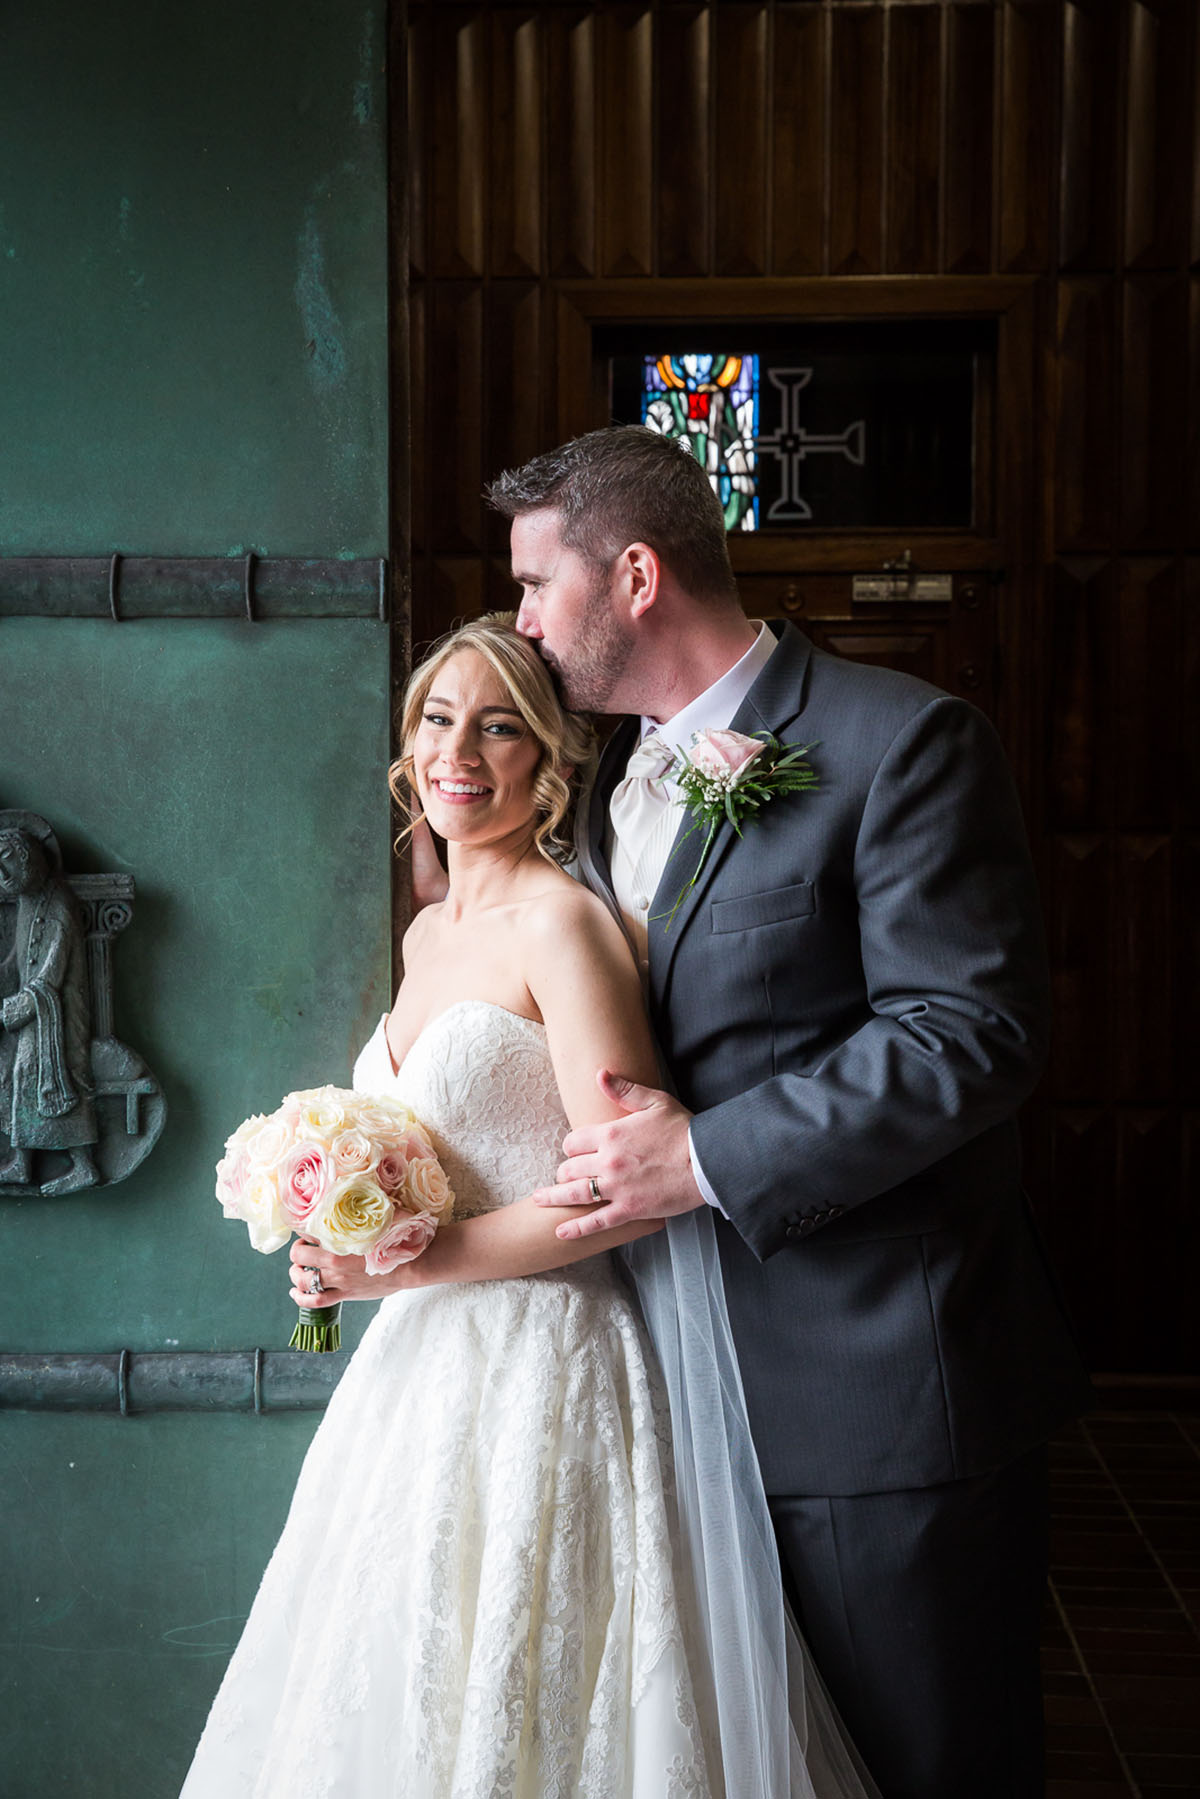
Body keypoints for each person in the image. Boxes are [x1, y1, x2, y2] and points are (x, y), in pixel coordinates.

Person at [480, 425, 1096, 1799]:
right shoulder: (591, 793)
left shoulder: (903, 743)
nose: (520, 619)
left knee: (920, 1761)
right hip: (646, 1385)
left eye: (535, 583)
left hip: (869, 1393)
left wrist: (703, 1153)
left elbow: (970, 1032)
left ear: (634, 575)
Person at [180, 616, 875, 1799]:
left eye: (499, 725)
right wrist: (340, 1232)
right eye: (439, 720)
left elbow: (623, 1198)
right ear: (408, 748)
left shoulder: (564, 924)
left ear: (548, 759)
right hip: (417, 1380)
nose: (462, 749)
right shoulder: (428, 928)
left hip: (546, 1365)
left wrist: (401, 1263)